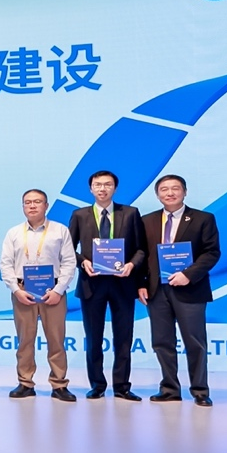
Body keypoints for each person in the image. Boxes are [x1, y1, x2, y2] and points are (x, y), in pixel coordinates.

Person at [139, 174, 221, 407]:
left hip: (190, 289)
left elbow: (212, 252)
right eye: (164, 189)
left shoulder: (203, 219)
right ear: (157, 194)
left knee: (195, 342)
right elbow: (142, 255)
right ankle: (169, 389)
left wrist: (189, 274)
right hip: (157, 291)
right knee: (162, 342)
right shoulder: (147, 221)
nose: (170, 193)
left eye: (175, 188)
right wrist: (141, 284)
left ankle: (200, 390)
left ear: (185, 191)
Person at [68, 170, 147, 401]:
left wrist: (132, 264)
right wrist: (83, 262)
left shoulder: (130, 213)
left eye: (107, 184)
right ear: (91, 188)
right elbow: (68, 249)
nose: (102, 188)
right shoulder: (79, 215)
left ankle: (122, 386)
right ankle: (97, 385)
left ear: (115, 188)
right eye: (98, 184)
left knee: (124, 337)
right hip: (92, 284)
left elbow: (141, 249)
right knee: (94, 337)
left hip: (123, 283)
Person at [0, 189, 78, 402]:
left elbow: (69, 262)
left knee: (56, 340)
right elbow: (5, 265)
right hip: (23, 292)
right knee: (25, 340)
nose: (32, 206)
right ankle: (25, 383)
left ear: (46, 205)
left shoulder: (60, 230)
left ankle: (59, 384)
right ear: (23, 206)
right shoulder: (14, 233)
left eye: (37, 202)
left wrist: (59, 290)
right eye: (28, 202)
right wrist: (16, 290)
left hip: (53, 292)